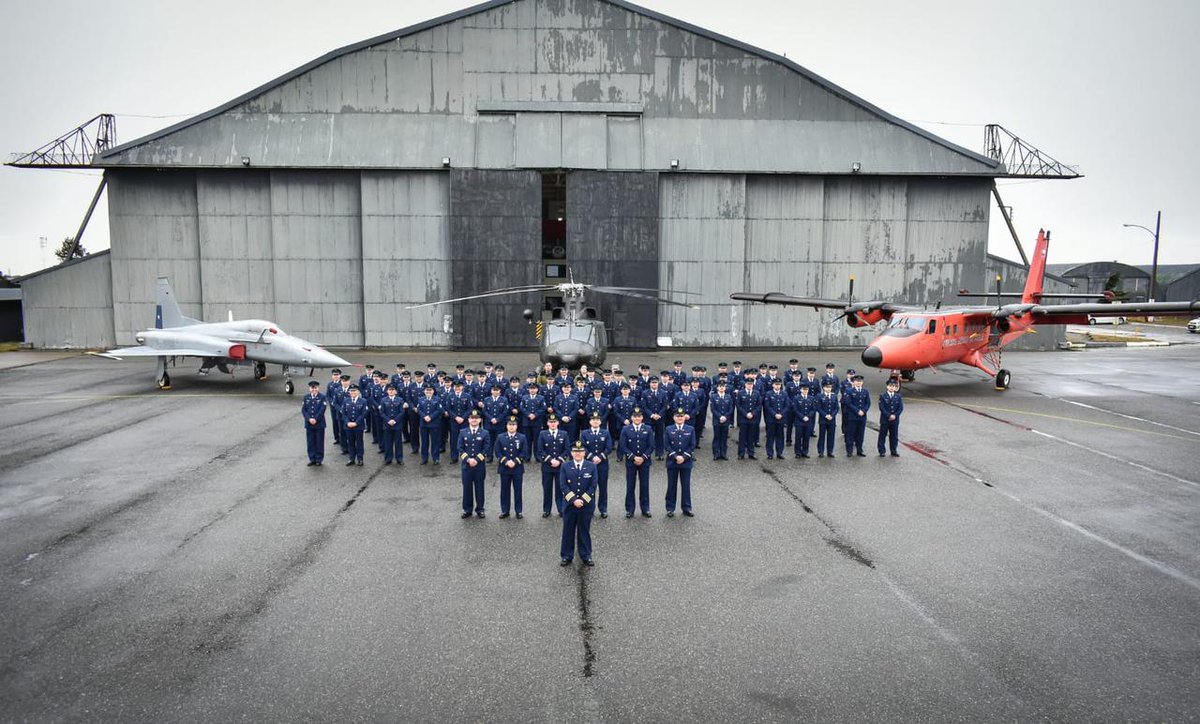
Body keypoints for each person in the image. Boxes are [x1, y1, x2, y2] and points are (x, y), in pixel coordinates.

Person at [559, 441, 598, 566]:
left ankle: (586, 555)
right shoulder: (565, 466)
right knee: (568, 530)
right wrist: (574, 500)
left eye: (580, 451)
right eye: (575, 451)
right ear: (571, 453)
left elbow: (593, 485)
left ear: (584, 453)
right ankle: (566, 555)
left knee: (584, 530)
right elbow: (563, 485)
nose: (578, 454)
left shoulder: (591, 466)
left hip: (586, 505)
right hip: (570, 505)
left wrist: (583, 500)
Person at [619, 408, 654, 518]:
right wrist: (633, 457)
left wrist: (643, 457)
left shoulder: (648, 428)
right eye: (635, 416)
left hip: (645, 461)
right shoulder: (626, 429)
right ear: (632, 418)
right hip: (631, 461)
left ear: (642, 417)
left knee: (644, 486)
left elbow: (651, 445)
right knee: (630, 486)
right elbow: (623, 445)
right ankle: (630, 509)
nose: (637, 418)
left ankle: (645, 509)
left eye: (639, 416)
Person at [457, 410, 491, 518]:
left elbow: (486, 449)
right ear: (469, 420)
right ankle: (467, 509)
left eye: (476, 418)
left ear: (480, 420)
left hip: (479, 466)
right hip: (466, 466)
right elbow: (460, 448)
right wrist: (468, 459)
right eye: (472, 418)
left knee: (479, 488)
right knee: (467, 488)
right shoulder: (463, 432)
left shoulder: (485, 433)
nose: (474, 420)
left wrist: (476, 459)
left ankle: (480, 509)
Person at [579, 412, 613, 518]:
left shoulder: (605, 433)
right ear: (590, 422)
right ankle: (589, 508)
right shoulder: (584, 433)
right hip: (589, 464)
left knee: (603, 488)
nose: (595, 421)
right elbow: (583, 447)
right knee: (589, 487)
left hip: (602, 464)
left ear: (600, 421)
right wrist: (592, 457)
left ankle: (603, 509)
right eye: (593, 420)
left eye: (597, 420)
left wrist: (600, 457)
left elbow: (609, 447)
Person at [664, 408, 696, 517]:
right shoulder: (669, 429)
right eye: (677, 416)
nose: (680, 418)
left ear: (684, 418)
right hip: (672, 462)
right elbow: (667, 445)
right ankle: (670, 508)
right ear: (674, 418)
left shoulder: (690, 429)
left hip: (686, 462)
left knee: (685, 485)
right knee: (671, 485)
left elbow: (692, 446)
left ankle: (687, 507)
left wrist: (684, 457)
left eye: (681, 416)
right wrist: (675, 456)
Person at [494, 417, 528, 519]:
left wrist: (515, 461)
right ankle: (505, 510)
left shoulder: (522, 437)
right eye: (509, 425)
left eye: (513, 425)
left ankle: (518, 511)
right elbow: (498, 452)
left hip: (517, 468)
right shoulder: (500, 437)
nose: (511, 427)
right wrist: (506, 461)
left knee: (518, 490)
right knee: (504, 490)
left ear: (517, 426)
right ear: (506, 426)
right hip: (504, 468)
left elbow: (524, 452)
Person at [536, 416, 569, 517]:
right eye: (551, 422)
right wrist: (550, 460)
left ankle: (561, 509)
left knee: (560, 489)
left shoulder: (564, 434)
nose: (553, 424)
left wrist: (559, 460)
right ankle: (547, 510)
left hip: (560, 466)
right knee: (547, 489)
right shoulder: (542, 434)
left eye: (554, 422)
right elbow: (540, 450)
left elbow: (567, 449)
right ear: (547, 423)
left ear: (558, 423)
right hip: (547, 466)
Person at [843, 375, 871, 457]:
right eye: (857, 381)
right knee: (850, 434)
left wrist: (864, 411)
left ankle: (859, 450)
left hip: (862, 416)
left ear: (862, 382)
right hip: (852, 416)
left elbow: (868, 403)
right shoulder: (849, 391)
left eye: (860, 381)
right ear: (854, 382)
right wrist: (857, 410)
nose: (859, 383)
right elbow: (848, 403)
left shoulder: (865, 391)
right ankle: (849, 451)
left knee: (860, 434)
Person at [417, 384, 444, 465]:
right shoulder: (420, 399)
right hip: (424, 424)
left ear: (433, 391)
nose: (428, 391)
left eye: (430, 390)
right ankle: (424, 458)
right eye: (427, 390)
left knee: (435, 442)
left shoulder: (437, 399)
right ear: (424, 391)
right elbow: (418, 410)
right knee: (424, 442)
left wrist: (431, 417)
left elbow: (439, 410)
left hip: (434, 423)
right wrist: (424, 416)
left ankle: (436, 458)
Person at [342, 384, 368, 466]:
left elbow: (364, 413)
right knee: (350, 442)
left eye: (354, 391)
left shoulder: (363, 401)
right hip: (348, 426)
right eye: (351, 391)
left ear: (358, 392)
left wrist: (356, 422)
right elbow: (343, 413)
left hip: (358, 426)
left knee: (359, 442)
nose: (353, 392)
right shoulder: (346, 400)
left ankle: (360, 459)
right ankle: (351, 458)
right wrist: (347, 422)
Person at [877, 378, 904, 457]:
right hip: (885, 419)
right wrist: (889, 415)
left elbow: (900, 408)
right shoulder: (882, 396)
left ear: (896, 388)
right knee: (882, 435)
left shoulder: (898, 396)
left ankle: (893, 450)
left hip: (895, 420)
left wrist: (895, 415)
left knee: (894, 436)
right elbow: (881, 408)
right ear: (887, 387)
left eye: (894, 386)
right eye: (890, 386)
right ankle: (882, 450)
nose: (892, 387)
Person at [735, 377, 761, 460]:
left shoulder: (756, 393)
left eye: (751, 384)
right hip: (743, 418)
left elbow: (758, 405)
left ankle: (751, 453)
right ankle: (741, 453)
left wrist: (752, 413)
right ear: (745, 384)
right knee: (742, 436)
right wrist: (746, 414)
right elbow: (738, 405)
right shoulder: (741, 393)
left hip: (753, 418)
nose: (750, 385)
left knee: (751, 436)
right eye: (748, 384)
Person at [379, 384, 406, 465]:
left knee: (398, 442)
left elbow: (402, 412)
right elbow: (382, 412)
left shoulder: (400, 400)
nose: (391, 391)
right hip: (387, 424)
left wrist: (394, 420)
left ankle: (399, 458)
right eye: (389, 390)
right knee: (388, 442)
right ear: (387, 391)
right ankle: (388, 458)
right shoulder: (383, 400)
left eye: (392, 390)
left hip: (397, 424)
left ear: (395, 391)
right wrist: (388, 420)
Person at [763, 378, 788, 460]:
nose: (778, 386)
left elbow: (787, 405)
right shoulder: (768, 394)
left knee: (780, 436)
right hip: (771, 419)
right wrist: (775, 414)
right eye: (776, 384)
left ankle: (779, 453)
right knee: (770, 437)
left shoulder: (784, 394)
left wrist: (781, 414)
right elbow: (767, 406)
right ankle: (770, 453)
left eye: (779, 384)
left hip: (781, 418)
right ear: (773, 385)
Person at [302, 380, 327, 466]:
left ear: (318, 388)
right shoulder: (306, 397)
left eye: (315, 388)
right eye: (312, 388)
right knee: (310, 442)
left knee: (319, 442)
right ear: (309, 389)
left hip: (319, 423)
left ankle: (319, 459)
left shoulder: (322, 397)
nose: (314, 390)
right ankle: (312, 458)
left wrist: (315, 419)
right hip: (309, 424)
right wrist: (309, 419)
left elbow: (322, 409)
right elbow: (304, 410)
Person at [709, 379, 733, 460]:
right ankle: (716, 453)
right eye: (720, 387)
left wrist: (725, 417)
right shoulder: (713, 396)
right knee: (717, 437)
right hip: (717, 420)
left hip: (726, 421)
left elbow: (730, 409)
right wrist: (720, 417)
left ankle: (723, 453)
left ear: (725, 388)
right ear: (717, 388)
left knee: (724, 437)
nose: (722, 388)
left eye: (723, 387)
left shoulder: (728, 396)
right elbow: (713, 409)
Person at [791, 383, 817, 458]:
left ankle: (805, 452)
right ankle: (798, 452)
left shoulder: (811, 398)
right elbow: (795, 409)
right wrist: (802, 417)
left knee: (806, 437)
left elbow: (813, 409)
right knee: (798, 437)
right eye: (804, 389)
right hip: (799, 421)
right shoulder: (796, 398)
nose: (805, 391)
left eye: (807, 389)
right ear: (801, 390)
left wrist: (808, 416)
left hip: (808, 421)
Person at [816, 381, 839, 458]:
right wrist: (826, 415)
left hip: (832, 420)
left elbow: (836, 408)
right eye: (827, 387)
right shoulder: (819, 396)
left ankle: (830, 451)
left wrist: (832, 415)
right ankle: (821, 451)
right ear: (823, 388)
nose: (829, 389)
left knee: (831, 436)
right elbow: (818, 408)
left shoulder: (834, 396)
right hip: (823, 419)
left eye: (830, 387)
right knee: (822, 436)